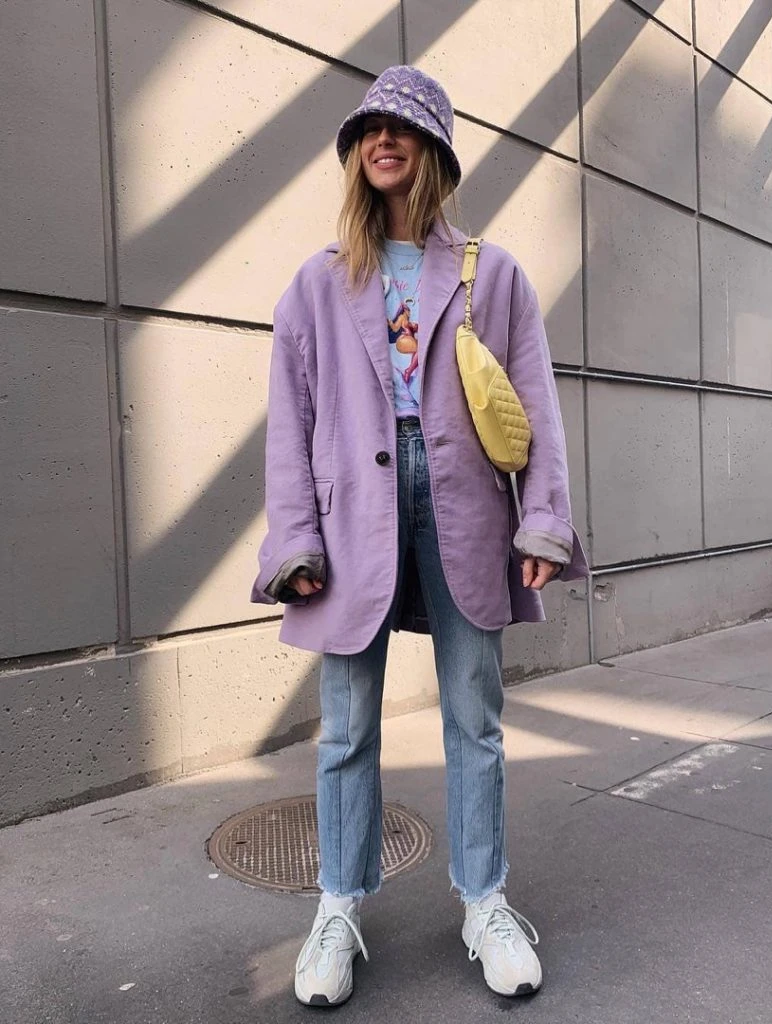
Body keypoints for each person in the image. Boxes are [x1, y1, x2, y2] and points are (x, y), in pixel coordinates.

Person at [251, 65, 588, 1007]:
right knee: (347, 724)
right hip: (352, 508)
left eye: (400, 128)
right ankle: (338, 906)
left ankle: (484, 902)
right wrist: (293, 538)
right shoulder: (318, 283)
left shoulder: (494, 273)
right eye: (369, 130)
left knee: (473, 715)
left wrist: (543, 519)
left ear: (433, 150)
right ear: (356, 155)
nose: (382, 141)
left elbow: (534, 405)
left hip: (463, 501)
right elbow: (289, 422)